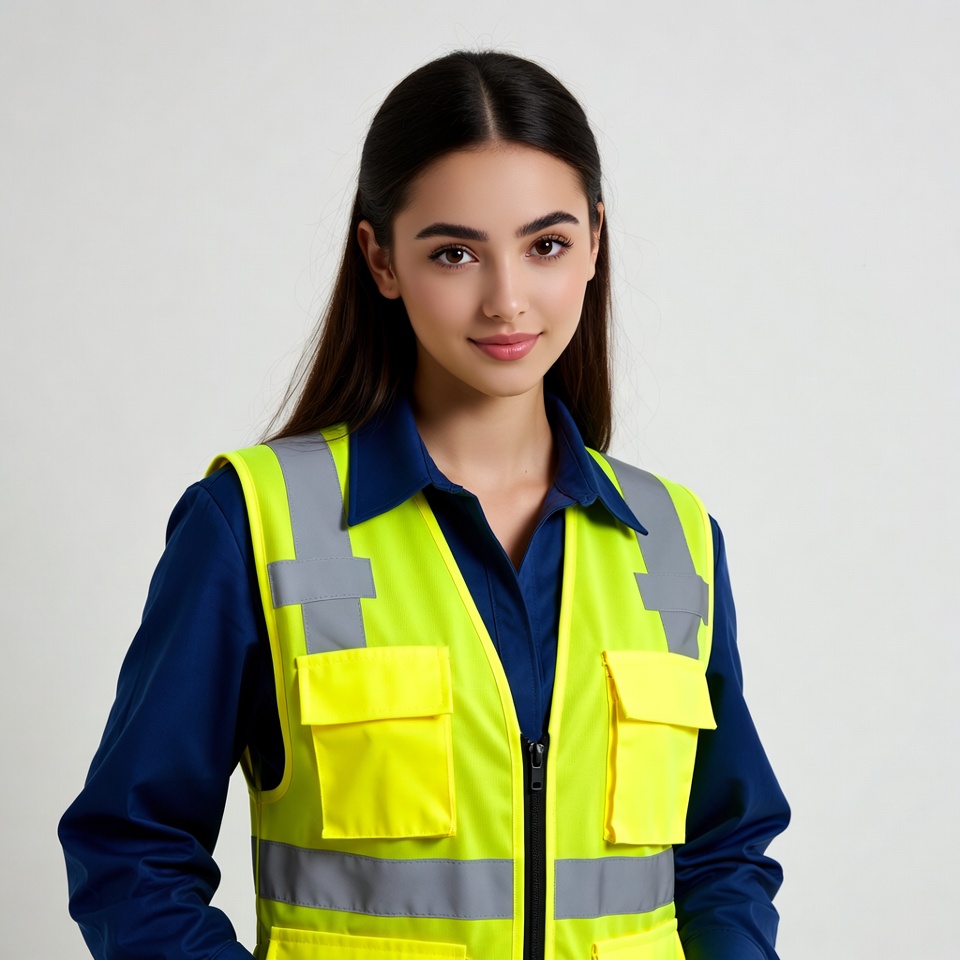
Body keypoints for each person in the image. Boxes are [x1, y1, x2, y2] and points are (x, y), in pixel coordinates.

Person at [59, 50, 789, 960]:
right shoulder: (252, 521)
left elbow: (723, 855)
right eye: (454, 253)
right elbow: (133, 853)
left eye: (546, 245)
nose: (507, 300)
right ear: (381, 259)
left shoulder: (676, 540)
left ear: (595, 243)